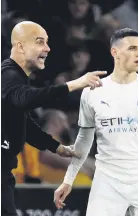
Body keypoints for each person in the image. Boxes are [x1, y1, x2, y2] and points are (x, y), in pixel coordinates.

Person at [54, 28, 138, 216]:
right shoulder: (93, 92)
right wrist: (68, 179)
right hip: (107, 183)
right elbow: (83, 140)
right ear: (114, 52)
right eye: (132, 48)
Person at [1, 21, 106, 216]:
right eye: (40, 42)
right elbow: (26, 99)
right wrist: (75, 83)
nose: (47, 48)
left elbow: (24, 125)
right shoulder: (8, 75)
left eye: (47, 43)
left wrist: (57, 148)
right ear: (21, 46)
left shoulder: (14, 77)